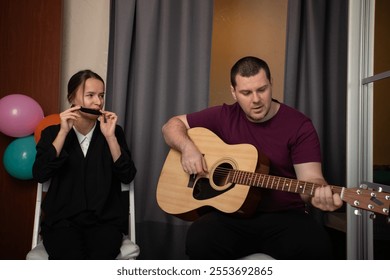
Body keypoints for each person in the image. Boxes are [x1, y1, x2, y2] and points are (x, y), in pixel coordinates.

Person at [162, 56, 343, 260]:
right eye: (246, 93)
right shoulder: (223, 115)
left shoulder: (299, 125)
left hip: (285, 216)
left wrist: (319, 194)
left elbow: (311, 178)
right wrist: (188, 148)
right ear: (234, 92)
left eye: (262, 89)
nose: (255, 100)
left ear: (271, 84)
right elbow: (171, 125)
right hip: (231, 216)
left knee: (318, 247)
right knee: (199, 239)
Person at [33, 70, 136, 259]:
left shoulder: (115, 132)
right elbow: (40, 173)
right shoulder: (51, 133)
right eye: (90, 95)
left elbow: (127, 175)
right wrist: (63, 133)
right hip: (62, 222)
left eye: (101, 95)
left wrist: (110, 137)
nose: (98, 102)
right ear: (71, 97)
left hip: (105, 222)